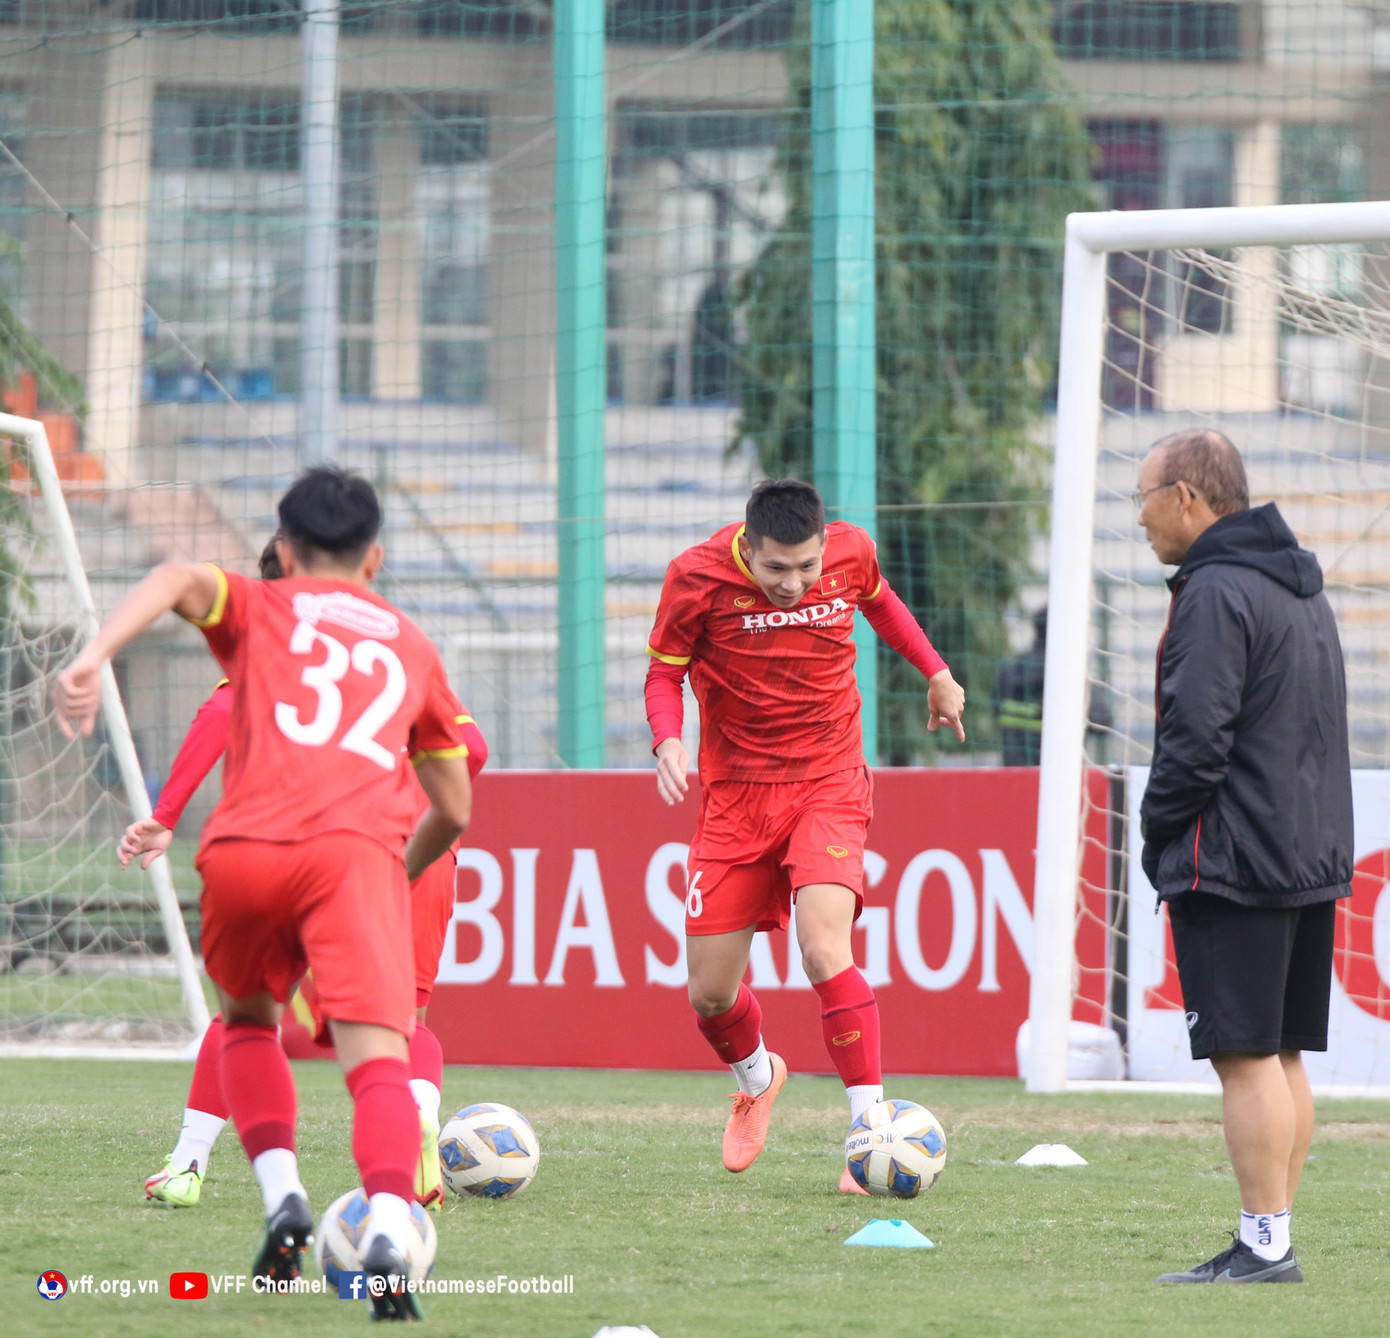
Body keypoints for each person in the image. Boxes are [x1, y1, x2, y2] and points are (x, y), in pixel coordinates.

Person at [55, 466, 472, 1319]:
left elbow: (174, 578)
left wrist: (94, 658)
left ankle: (283, 1196)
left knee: (247, 1024)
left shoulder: (259, 604)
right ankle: (386, 1229)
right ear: (377, 558)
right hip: (352, 858)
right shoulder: (411, 644)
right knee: (378, 1064)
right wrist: (394, 875)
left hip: (244, 849)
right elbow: (455, 806)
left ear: (283, 549)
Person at [130, 538, 489, 1215]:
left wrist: (166, 812)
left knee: (246, 1017)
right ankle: (417, 1117)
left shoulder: (268, 639)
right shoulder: (392, 646)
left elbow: (216, 715)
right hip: (411, 846)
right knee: (403, 1025)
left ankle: (187, 1163)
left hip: (307, 843)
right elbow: (471, 748)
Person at [644, 478, 965, 1192]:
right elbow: (663, 674)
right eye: (776, 569)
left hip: (828, 781)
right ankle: (758, 1079)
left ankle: (868, 1131)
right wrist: (668, 740)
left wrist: (936, 672)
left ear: (824, 548)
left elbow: (881, 602)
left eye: (807, 567)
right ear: (747, 548)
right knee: (709, 996)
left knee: (823, 947)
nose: (793, 583)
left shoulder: (853, 552)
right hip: (734, 797)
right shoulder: (694, 577)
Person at [1134, 430, 1352, 1284]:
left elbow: (1195, 736)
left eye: (1145, 497)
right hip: (1305, 848)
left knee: (1245, 1054)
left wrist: (1157, 828)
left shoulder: (1217, 590)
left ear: (1186, 496)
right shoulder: (1297, 585)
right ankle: (1272, 1236)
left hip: (1236, 853)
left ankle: (1266, 1246)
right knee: (1281, 1050)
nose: (1141, 517)